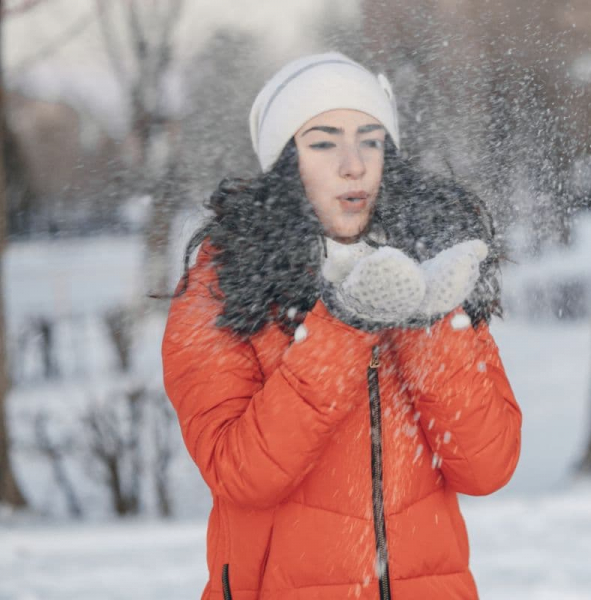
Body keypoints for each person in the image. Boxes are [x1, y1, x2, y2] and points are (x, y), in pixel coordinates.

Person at [161, 52, 522, 600]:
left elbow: (487, 466)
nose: (353, 164)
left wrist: (426, 324)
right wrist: (345, 329)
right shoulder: (223, 284)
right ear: (286, 162)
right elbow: (241, 473)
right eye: (324, 142)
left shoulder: (429, 265)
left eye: (371, 140)